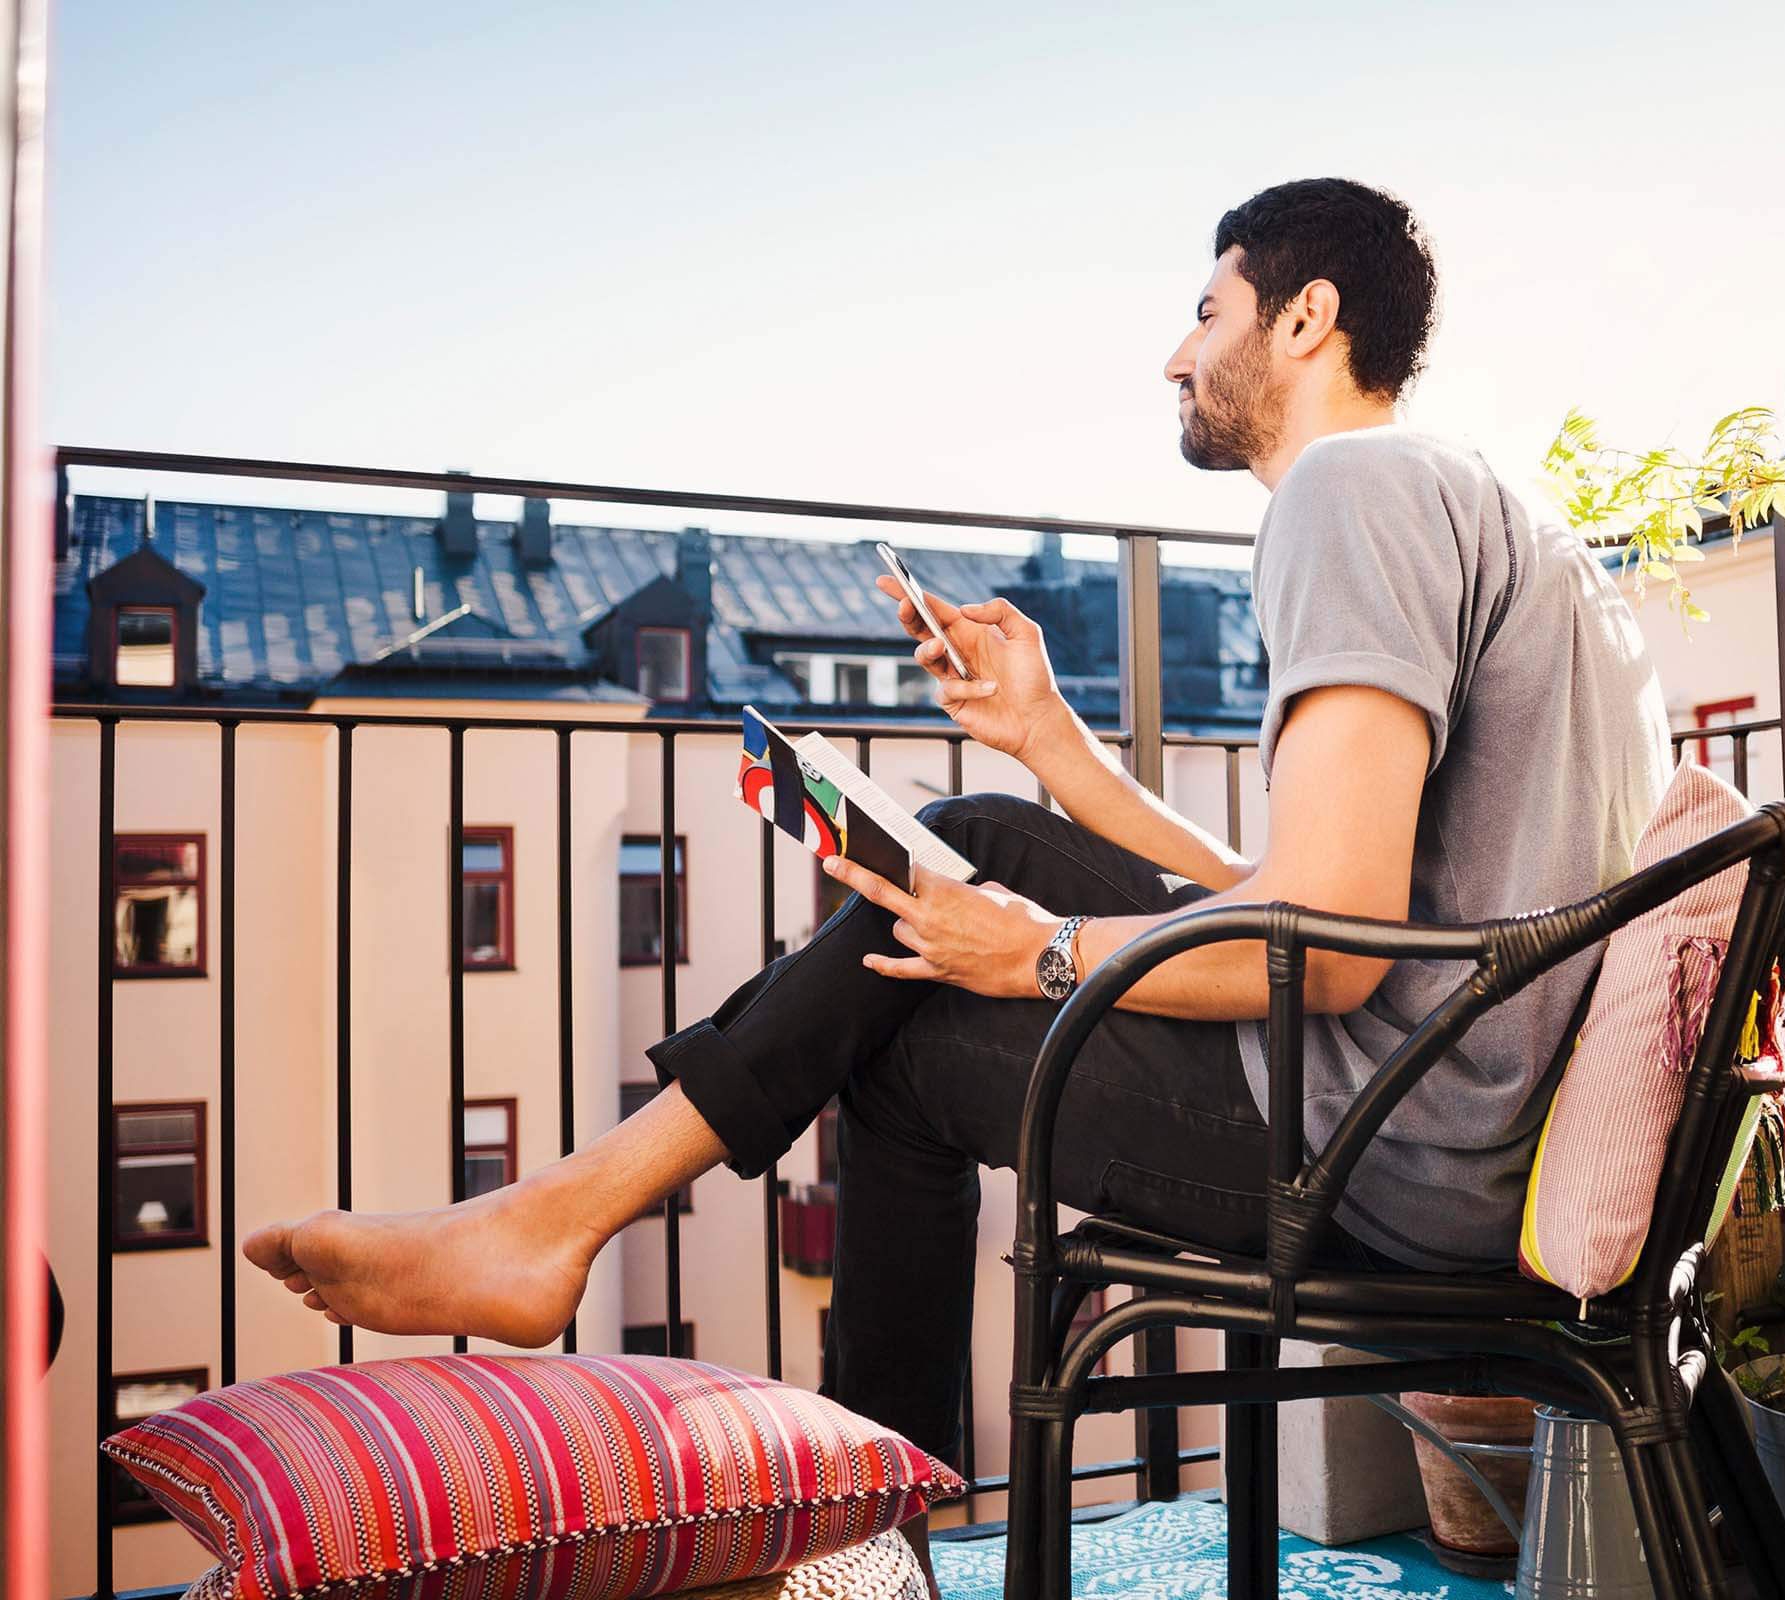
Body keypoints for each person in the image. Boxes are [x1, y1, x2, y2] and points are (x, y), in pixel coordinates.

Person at [244, 177, 1671, 1586]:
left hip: (1380, 1153)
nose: (1176, 353)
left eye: (1204, 309)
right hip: (1447, 1111)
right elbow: (1302, 888)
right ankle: (581, 1251)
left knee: (901, 1046)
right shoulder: (1491, 514)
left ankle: (842, 1512)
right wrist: (1052, 741)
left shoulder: (1348, 494)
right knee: (981, 832)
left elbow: (1336, 950)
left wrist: (1043, 954)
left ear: (1306, 319)